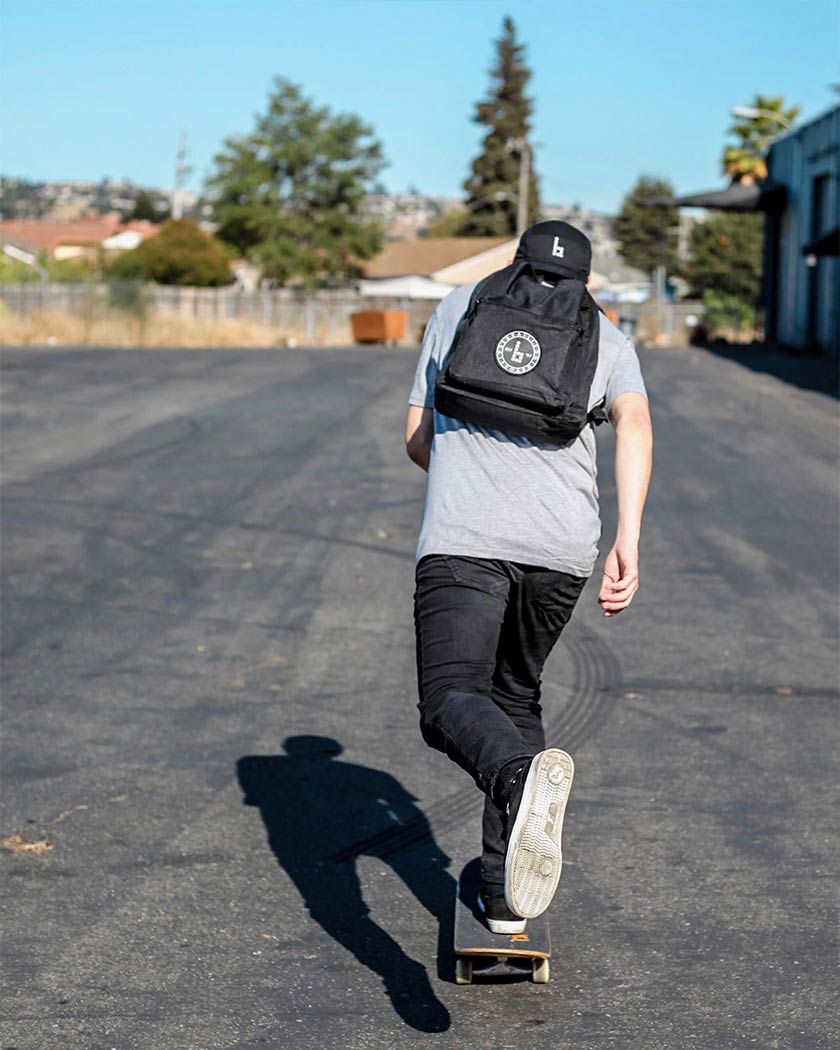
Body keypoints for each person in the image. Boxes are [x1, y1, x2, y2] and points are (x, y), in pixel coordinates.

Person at [405, 220, 653, 934]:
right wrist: (628, 538)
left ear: (515, 265)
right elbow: (634, 427)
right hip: (563, 547)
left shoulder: (460, 306)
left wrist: (462, 466)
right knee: (514, 695)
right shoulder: (605, 335)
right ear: (585, 279)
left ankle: (518, 774)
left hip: (466, 539)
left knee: (452, 696)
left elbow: (416, 437)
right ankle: (507, 897)